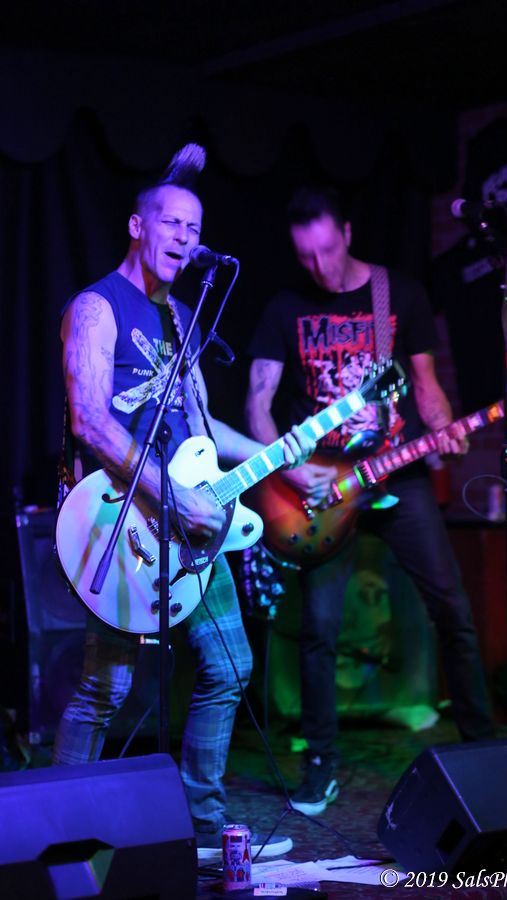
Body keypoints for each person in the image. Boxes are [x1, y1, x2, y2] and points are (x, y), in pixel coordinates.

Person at [53, 144, 315, 861]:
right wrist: (172, 499)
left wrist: (278, 449)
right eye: (171, 222)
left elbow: (201, 425)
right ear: (137, 226)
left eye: (194, 228)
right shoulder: (97, 307)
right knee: (106, 688)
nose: (185, 237)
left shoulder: (182, 320)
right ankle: (59, 834)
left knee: (229, 666)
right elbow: (90, 421)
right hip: (122, 520)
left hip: (189, 523)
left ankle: (203, 828)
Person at [245, 186, 494, 817]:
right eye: (306, 256)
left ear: (348, 234)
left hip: (397, 475)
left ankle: (484, 753)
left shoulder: (399, 294)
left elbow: (426, 385)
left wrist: (445, 430)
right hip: (322, 489)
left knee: (453, 610)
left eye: (327, 250)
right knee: (319, 630)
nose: (320, 267)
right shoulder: (284, 307)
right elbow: (257, 402)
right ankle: (320, 765)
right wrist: (291, 469)